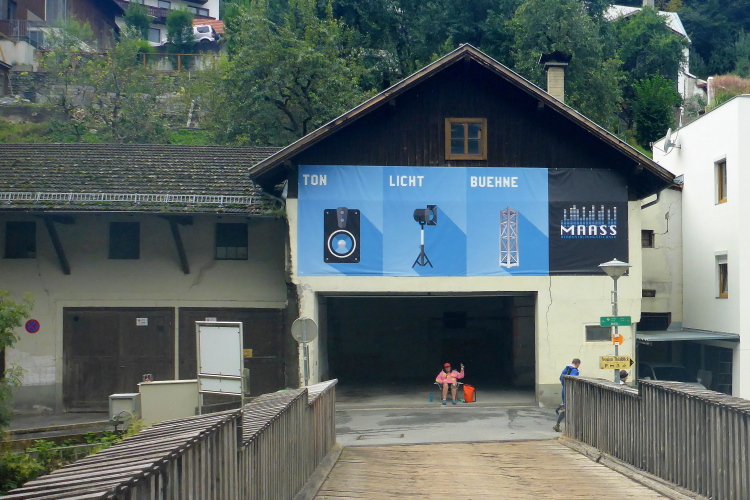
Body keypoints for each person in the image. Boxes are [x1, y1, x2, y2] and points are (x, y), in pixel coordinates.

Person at [553, 358, 580, 432]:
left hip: (564, 389)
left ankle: (558, 424)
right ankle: (570, 427)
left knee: (566, 407)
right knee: (570, 408)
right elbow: (571, 379)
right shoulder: (574, 370)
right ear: (577, 364)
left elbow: (560, 378)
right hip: (569, 390)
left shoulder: (566, 368)